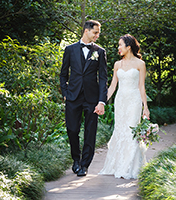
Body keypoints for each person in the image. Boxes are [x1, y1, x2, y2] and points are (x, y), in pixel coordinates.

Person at [60, 20, 108, 177]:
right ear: (86, 31)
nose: (97, 35)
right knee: (72, 130)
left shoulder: (100, 52)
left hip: (92, 98)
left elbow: (102, 78)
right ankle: (76, 158)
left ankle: (85, 164)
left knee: (90, 131)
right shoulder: (70, 49)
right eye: (95, 32)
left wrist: (101, 100)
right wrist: (65, 92)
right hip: (73, 96)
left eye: (98, 33)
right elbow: (63, 74)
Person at [99, 34, 150, 179]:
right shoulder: (117, 64)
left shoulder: (140, 64)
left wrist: (145, 106)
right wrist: (102, 102)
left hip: (134, 101)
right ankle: (117, 165)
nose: (118, 48)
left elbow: (142, 87)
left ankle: (130, 167)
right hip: (120, 101)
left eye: (120, 45)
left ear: (129, 46)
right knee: (120, 130)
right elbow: (113, 86)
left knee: (131, 131)